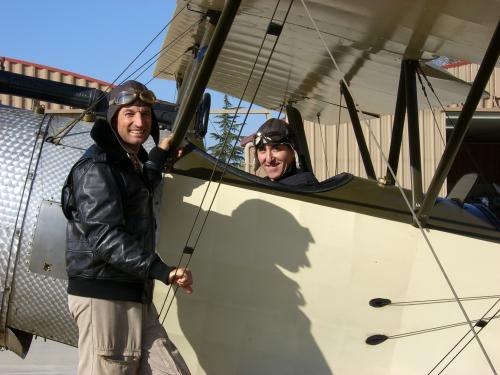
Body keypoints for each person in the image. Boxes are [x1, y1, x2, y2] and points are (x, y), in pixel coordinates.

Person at [61, 80, 192, 375]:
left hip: (133, 290)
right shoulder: (97, 167)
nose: (139, 122)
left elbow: (136, 190)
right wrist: (162, 270)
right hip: (105, 294)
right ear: (113, 118)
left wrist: (157, 156)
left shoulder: (126, 163)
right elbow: (104, 236)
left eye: (145, 114)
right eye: (129, 113)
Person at [253, 118, 318, 185]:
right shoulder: (262, 184)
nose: (269, 159)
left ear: (293, 152)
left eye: (276, 149)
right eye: (262, 150)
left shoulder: (304, 183)